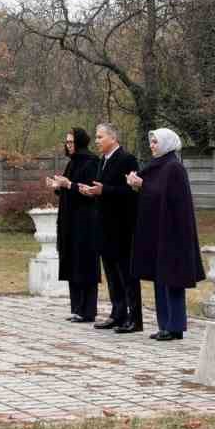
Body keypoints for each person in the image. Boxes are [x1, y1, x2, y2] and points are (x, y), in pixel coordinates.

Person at [127, 128, 204, 341]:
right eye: (151, 142)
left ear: (167, 143)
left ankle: (175, 325)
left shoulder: (174, 167)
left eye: (155, 142)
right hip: (158, 230)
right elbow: (153, 192)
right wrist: (138, 184)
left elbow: (171, 197)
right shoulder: (157, 166)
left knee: (173, 279)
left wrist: (143, 184)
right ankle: (164, 325)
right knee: (160, 278)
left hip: (173, 231)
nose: (151, 145)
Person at [80, 122, 142, 332]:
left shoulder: (127, 159)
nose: (96, 141)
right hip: (104, 226)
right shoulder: (102, 161)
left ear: (113, 138)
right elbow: (102, 189)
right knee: (112, 274)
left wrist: (104, 190)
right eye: (96, 137)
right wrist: (91, 191)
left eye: (100, 137)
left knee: (126, 274)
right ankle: (118, 313)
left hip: (122, 227)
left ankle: (135, 318)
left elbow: (131, 192)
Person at [46, 126, 102, 323]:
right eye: (67, 142)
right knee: (72, 262)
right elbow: (69, 192)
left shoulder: (91, 162)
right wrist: (57, 187)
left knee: (85, 264)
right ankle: (77, 308)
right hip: (70, 220)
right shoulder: (72, 163)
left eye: (71, 142)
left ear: (79, 142)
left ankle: (88, 310)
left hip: (85, 222)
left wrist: (68, 185)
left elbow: (89, 192)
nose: (68, 145)